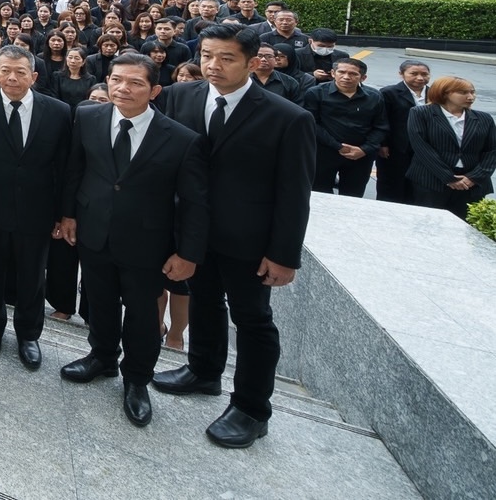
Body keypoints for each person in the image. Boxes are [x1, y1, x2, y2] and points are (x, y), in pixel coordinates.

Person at [151, 23, 314, 448]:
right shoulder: (179, 97)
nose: (213, 65)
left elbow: (294, 194)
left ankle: (251, 408)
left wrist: (284, 255)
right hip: (193, 234)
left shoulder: (288, 118)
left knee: (253, 321)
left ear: (252, 61)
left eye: (226, 58)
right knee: (203, 302)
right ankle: (204, 372)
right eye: (207, 55)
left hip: (249, 242)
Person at [59, 53, 209, 429]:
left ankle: (137, 379)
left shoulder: (181, 139)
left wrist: (188, 253)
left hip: (148, 243)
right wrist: (69, 215)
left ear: (155, 90)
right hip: (94, 230)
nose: (123, 88)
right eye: (116, 80)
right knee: (100, 301)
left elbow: (193, 203)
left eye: (135, 82)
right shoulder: (87, 116)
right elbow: (75, 169)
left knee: (143, 315)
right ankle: (103, 356)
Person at [0, 45, 73, 371]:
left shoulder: (58, 111)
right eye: (5, 71)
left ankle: (28, 334)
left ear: (34, 76)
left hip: (37, 211)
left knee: (32, 275)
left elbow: (65, 168)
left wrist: (63, 214)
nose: (12, 78)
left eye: (20, 72)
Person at [406, 76, 495, 218]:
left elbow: (491, 152)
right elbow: (421, 148)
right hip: (432, 181)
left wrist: (473, 178)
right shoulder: (421, 113)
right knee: (429, 223)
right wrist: (448, 177)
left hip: (471, 184)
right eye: (463, 93)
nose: (470, 97)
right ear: (445, 93)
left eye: (472, 92)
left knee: (467, 226)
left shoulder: (484, 119)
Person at [302, 57, 387, 197]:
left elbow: (381, 126)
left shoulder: (374, 96)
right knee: (319, 194)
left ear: (363, 77)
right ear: (333, 73)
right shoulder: (315, 93)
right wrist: (338, 146)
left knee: (354, 196)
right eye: (341, 72)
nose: (346, 77)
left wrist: (364, 149)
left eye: (353, 74)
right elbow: (312, 124)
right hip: (324, 153)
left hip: (361, 156)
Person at [376, 60, 431, 205]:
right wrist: (383, 143)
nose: (420, 78)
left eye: (424, 74)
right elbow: (382, 119)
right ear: (401, 74)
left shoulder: (435, 94)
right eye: (414, 74)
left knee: (417, 184)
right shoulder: (389, 93)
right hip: (396, 146)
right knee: (391, 182)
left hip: (424, 147)